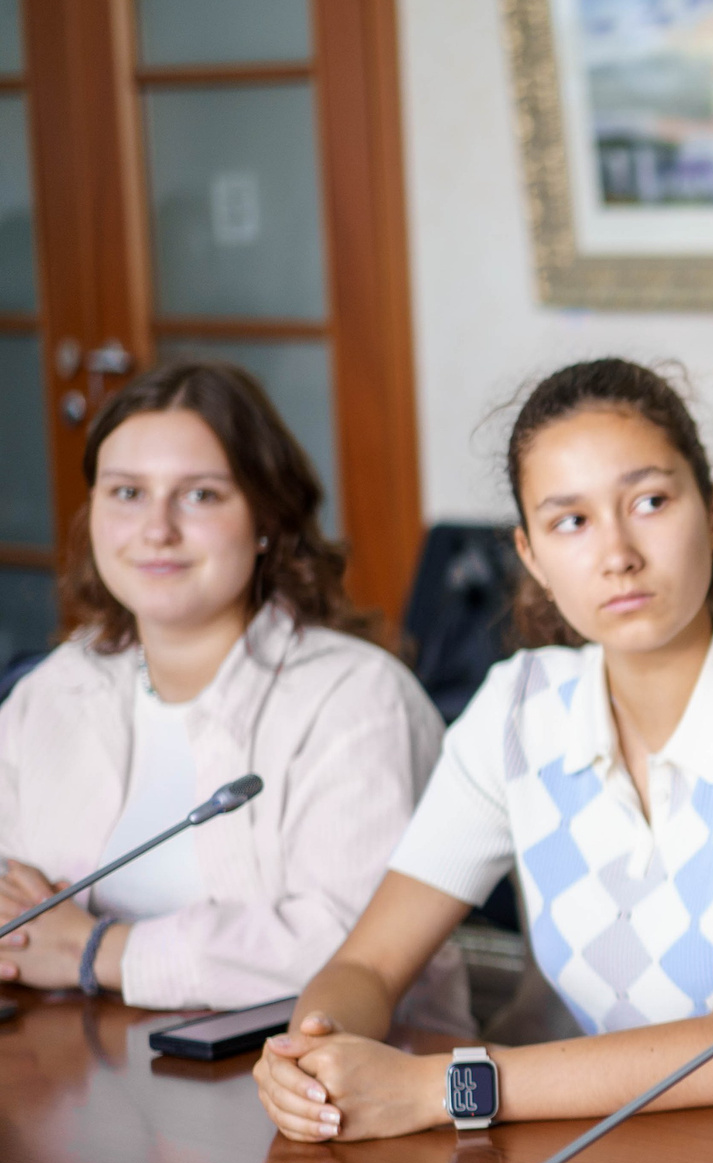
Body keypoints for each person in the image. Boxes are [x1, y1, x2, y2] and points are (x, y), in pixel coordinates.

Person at [254, 359, 713, 1141]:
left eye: (650, 502)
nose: (618, 553)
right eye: (571, 521)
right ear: (532, 558)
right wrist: (311, 1050)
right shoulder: (518, 707)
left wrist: (438, 1088)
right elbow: (368, 966)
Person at [0, 361, 464, 1024]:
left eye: (200, 495)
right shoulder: (55, 688)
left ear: (266, 517)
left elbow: (355, 950)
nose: (157, 529)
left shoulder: (357, 699)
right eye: (127, 492)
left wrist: (100, 951)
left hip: (332, 1073)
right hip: (75, 1062)